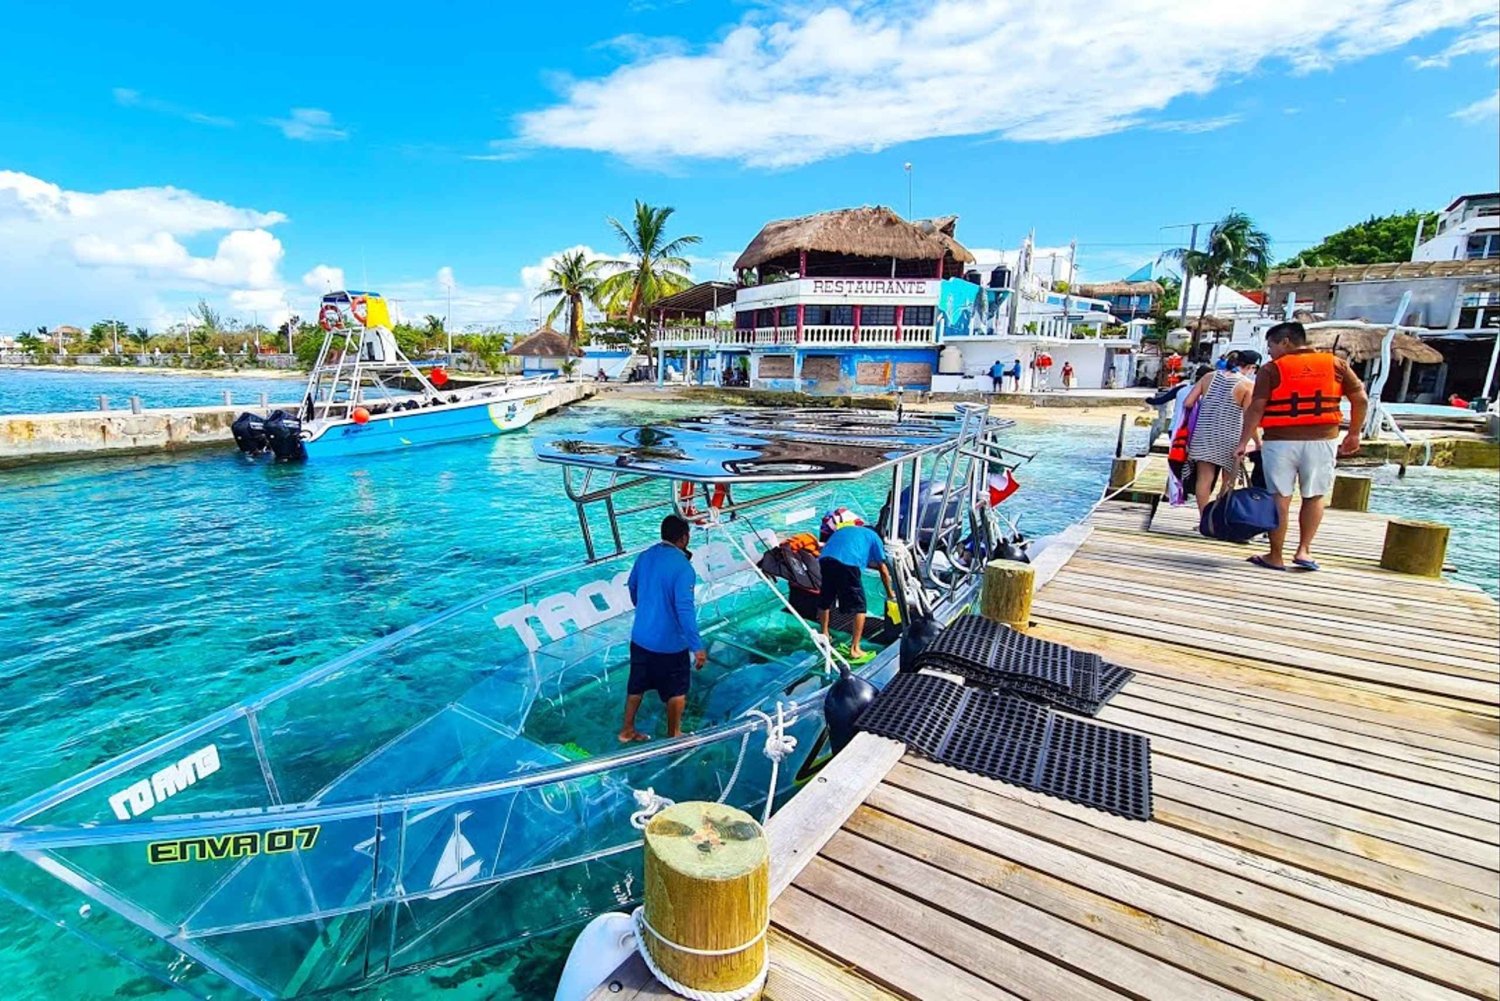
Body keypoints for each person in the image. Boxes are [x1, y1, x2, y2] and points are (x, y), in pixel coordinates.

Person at [1236, 322, 1367, 571]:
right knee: (1315, 495)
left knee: (1279, 498)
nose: (1270, 351)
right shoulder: (1336, 364)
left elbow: (1257, 407)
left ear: (1285, 342)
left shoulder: (1272, 369)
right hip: (1322, 439)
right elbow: (1360, 398)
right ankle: (1304, 550)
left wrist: (1243, 441)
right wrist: (1354, 434)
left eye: (1272, 345)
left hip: (1280, 440)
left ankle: (1275, 555)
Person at [621, 515, 706, 741]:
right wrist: (697, 646)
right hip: (670, 645)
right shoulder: (683, 568)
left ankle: (627, 730)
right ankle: (674, 734)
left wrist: (646, 609)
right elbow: (685, 610)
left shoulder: (645, 556)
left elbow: (632, 586)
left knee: (636, 685)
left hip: (640, 637)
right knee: (677, 691)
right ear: (684, 538)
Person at [1181, 350, 1260, 510]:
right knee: (1228, 480)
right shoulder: (1247, 385)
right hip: (1230, 437)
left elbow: (1188, 402)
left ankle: (1204, 518)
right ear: (1251, 367)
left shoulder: (1208, 377)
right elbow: (1249, 418)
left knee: (1204, 479)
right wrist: (1257, 442)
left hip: (1204, 434)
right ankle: (1219, 516)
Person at [817, 512, 895, 662]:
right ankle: (855, 649)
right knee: (860, 607)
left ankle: (825, 634)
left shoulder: (848, 529)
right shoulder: (875, 538)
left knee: (826, 597)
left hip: (825, 559)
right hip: (847, 562)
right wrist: (890, 593)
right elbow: (883, 570)